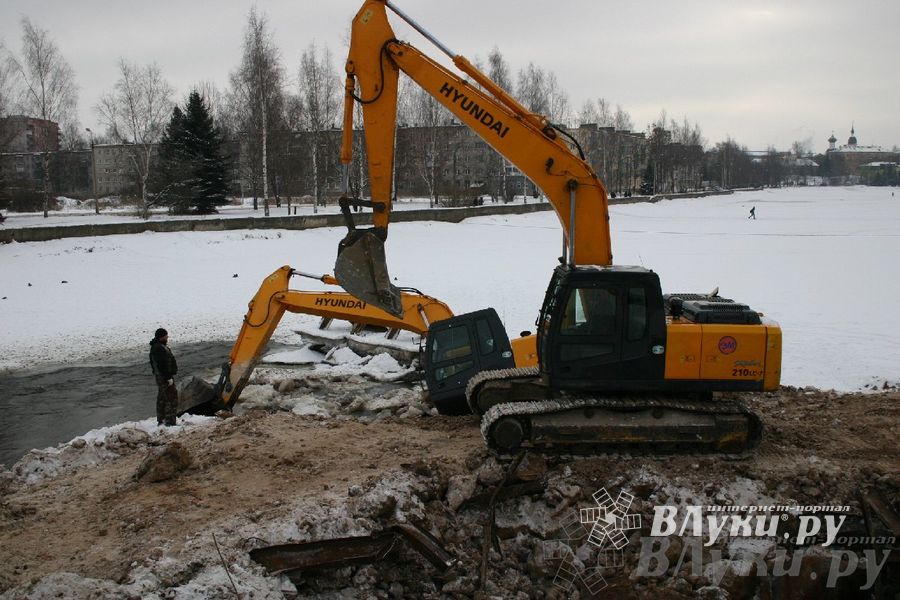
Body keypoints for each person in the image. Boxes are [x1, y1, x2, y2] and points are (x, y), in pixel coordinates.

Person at [149, 327, 178, 426]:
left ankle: (161, 419)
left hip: (161, 376)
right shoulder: (159, 348)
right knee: (171, 398)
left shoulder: (157, 346)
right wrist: (168, 377)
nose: (167, 338)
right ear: (161, 337)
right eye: (166, 336)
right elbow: (162, 365)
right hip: (164, 377)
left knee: (162, 397)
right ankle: (170, 422)